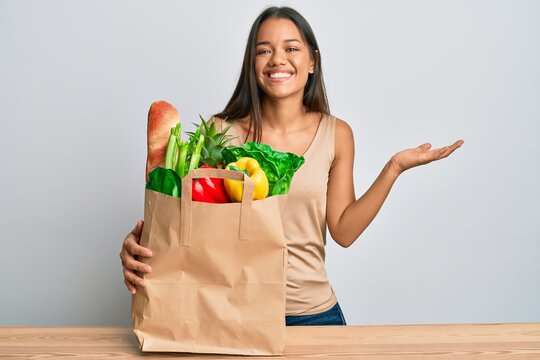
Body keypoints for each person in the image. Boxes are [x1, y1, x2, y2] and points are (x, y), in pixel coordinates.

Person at [120, 6, 464, 326]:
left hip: (315, 316)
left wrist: (393, 168)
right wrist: (137, 244)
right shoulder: (219, 133)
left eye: (291, 48)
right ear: (251, 64)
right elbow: (187, 228)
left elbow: (343, 231)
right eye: (264, 50)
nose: (277, 59)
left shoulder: (337, 134)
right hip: (233, 316)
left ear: (313, 61)